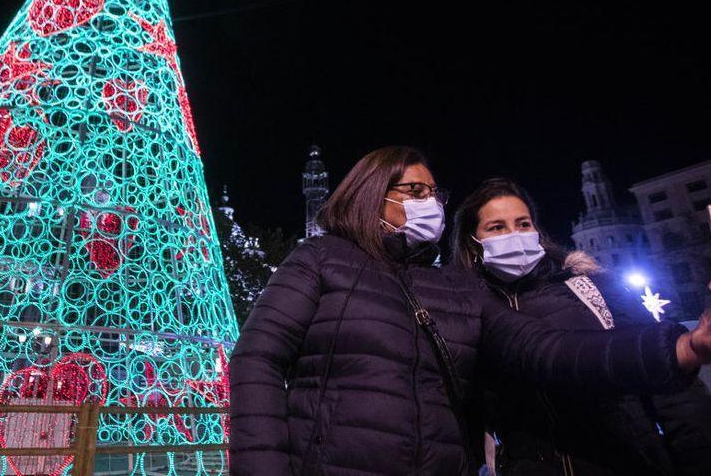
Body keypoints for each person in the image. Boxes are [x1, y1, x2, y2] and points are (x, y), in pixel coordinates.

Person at [229, 146, 711, 476]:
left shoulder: (456, 290)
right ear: (370, 196)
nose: (430, 203)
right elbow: (258, 360)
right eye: (413, 192)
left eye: (433, 193)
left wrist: (684, 347)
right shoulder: (322, 258)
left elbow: (549, 351)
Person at [450, 178, 711, 476]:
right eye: (497, 227)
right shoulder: (468, 313)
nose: (515, 234)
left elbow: (675, 396)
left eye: (523, 224)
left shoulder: (593, 288)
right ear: (472, 241)